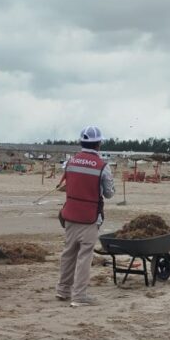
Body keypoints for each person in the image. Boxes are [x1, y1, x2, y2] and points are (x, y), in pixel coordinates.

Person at [56, 125, 115, 307]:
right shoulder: (103, 166)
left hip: (70, 214)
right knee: (84, 256)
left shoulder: (70, 162)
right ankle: (79, 296)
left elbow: (66, 185)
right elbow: (109, 194)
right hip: (89, 217)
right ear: (98, 144)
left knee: (68, 253)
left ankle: (63, 290)